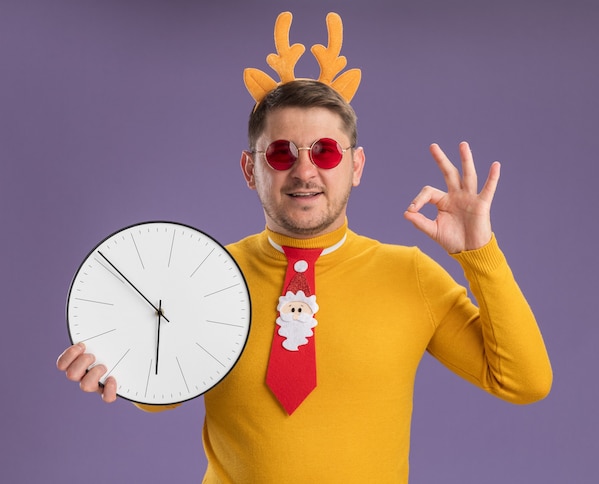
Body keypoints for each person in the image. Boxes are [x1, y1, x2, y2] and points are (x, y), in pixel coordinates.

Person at [57, 12, 552, 483]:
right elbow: (161, 393)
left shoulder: (411, 276)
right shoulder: (205, 273)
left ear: (355, 167)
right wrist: (116, 368)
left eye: (325, 151)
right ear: (252, 169)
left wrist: (479, 252)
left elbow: (524, 381)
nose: (304, 171)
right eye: (280, 153)